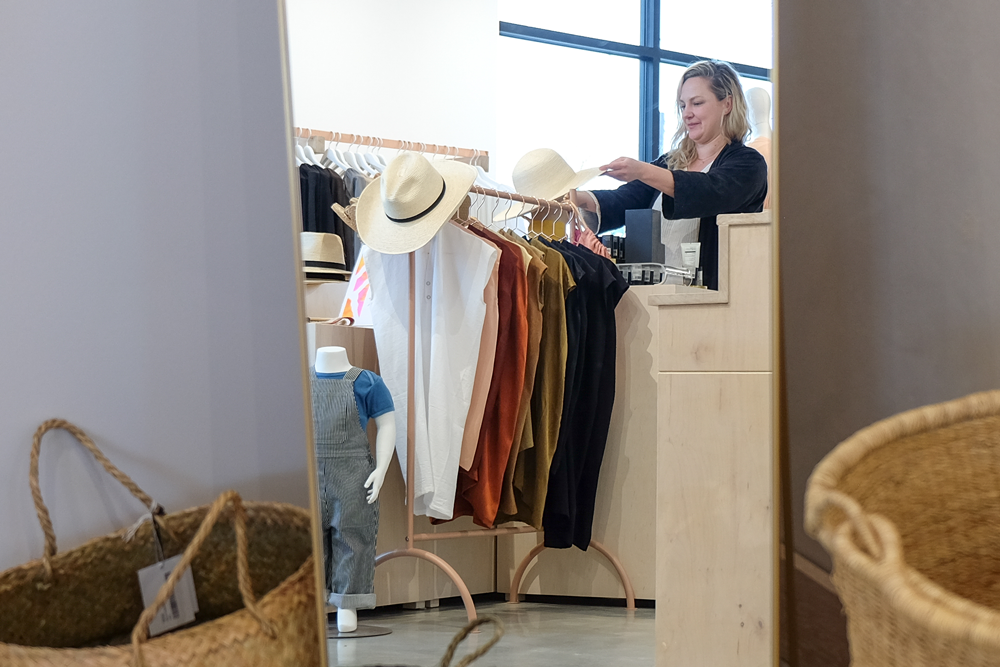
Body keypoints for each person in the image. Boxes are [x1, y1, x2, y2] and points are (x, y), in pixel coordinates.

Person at [571, 60, 767, 290]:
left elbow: (708, 190)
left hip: (712, 301)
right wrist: (578, 197)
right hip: (652, 298)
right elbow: (628, 199)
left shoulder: (748, 164)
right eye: (682, 105)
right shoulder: (670, 162)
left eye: (697, 103)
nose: (687, 114)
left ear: (727, 104)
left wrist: (643, 170)